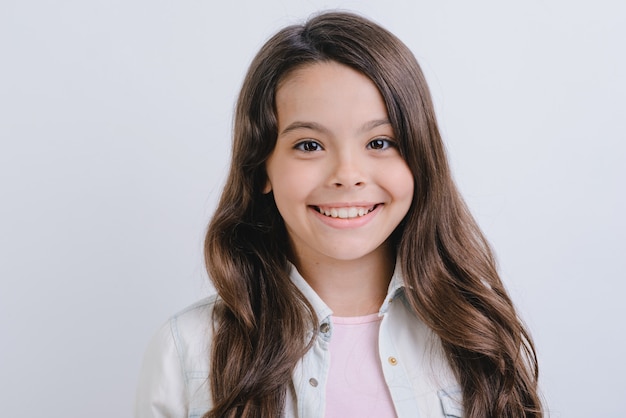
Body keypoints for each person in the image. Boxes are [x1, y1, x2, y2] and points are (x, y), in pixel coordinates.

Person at [135, 11, 543, 418]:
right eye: (310, 145)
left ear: (420, 159)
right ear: (262, 167)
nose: (347, 175)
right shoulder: (186, 352)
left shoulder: (477, 335)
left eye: (380, 142)